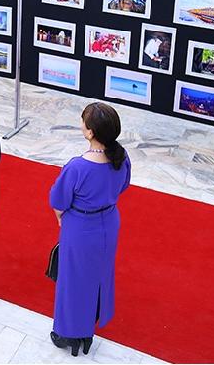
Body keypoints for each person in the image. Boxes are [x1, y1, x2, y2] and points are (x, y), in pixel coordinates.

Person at [49, 102, 132, 357]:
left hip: (80, 226)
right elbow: (123, 186)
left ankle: (69, 333)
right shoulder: (121, 158)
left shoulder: (78, 167)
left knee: (72, 280)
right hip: (109, 222)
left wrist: (62, 217)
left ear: (90, 132)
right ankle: (87, 330)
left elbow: (58, 200)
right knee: (99, 276)